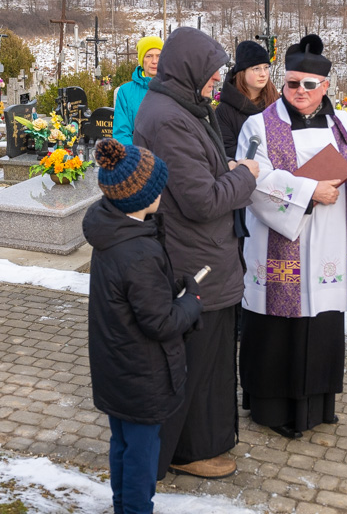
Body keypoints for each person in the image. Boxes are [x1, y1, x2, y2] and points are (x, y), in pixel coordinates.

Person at [237, 34, 347, 439]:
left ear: (325, 87)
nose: (299, 92)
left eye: (309, 85)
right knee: (275, 331)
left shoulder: (344, 124)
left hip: (328, 245)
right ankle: (272, 410)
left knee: (320, 325)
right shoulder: (259, 125)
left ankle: (317, 406)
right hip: (278, 243)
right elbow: (252, 179)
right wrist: (307, 193)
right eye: (291, 83)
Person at [134, 26, 259, 480]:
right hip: (195, 260)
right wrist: (245, 175)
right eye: (212, 71)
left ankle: (203, 442)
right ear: (189, 69)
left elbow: (196, 174)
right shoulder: (170, 118)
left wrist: (221, 167)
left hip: (202, 255)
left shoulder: (182, 106)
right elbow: (201, 201)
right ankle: (188, 450)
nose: (217, 79)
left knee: (210, 359)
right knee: (198, 363)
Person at [83, 138, 203, 514]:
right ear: (142, 197)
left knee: (123, 444)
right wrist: (190, 301)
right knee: (141, 455)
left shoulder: (112, 231)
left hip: (115, 366)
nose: (162, 192)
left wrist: (167, 285)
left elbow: (133, 297)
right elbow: (160, 322)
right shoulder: (138, 251)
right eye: (158, 186)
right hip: (142, 373)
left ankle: (123, 506)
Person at [216, 40, 279, 158]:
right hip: (245, 171)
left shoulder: (277, 103)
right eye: (256, 68)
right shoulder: (225, 110)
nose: (263, 74)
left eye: (266, 67)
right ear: (242, 72)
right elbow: (226, 149)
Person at [113, 36, 163, 145]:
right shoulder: (125, 92)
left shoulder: (173, 88)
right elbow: (121, 133)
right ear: (141, 60)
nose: (154, 61)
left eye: (158, 56)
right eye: (149, 56)